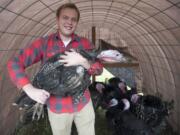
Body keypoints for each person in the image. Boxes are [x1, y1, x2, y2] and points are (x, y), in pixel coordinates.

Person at [7, 3, 103, 135]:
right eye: (65, 17)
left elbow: (99, 69)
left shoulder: (84, 43)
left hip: (83, 103)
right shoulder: (44, 44)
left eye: (73, 19)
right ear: (57, 19)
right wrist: (29, 89)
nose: (69, 22)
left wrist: (83, 62)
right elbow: (15, 63)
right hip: (58, 106)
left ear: (77, 22)